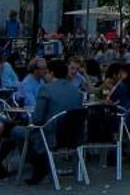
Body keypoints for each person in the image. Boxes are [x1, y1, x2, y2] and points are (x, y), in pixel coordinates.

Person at [22, 56, 86, 185]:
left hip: (52, 135)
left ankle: (39, 166)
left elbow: (37, 119)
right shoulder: (77, 91)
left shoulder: (46, 89)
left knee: (17, 132)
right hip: (74, 136)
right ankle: (42, 165)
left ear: (51, 73)